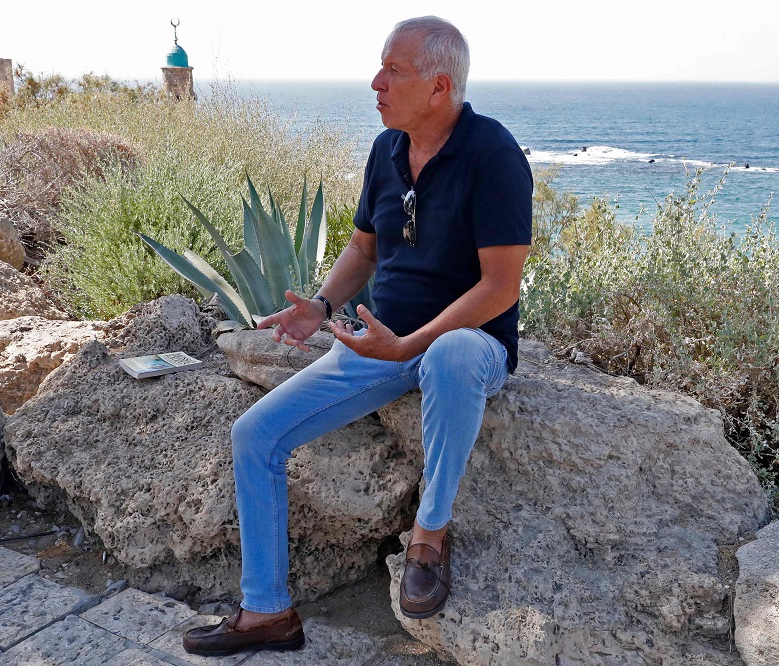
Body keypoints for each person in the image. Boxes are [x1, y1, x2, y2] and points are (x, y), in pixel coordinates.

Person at [183, 15, 533, 657]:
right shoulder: (387, 150)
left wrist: (408, 345)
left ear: (438, 86)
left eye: (392, 71)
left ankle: (429, 535)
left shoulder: (493, 154)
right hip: (381, 343)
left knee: (451, 352)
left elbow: (500, 288)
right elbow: (363, 247)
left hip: (467, 343)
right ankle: (268, 613)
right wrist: (321, 305)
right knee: (254, 435)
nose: (375, 82)